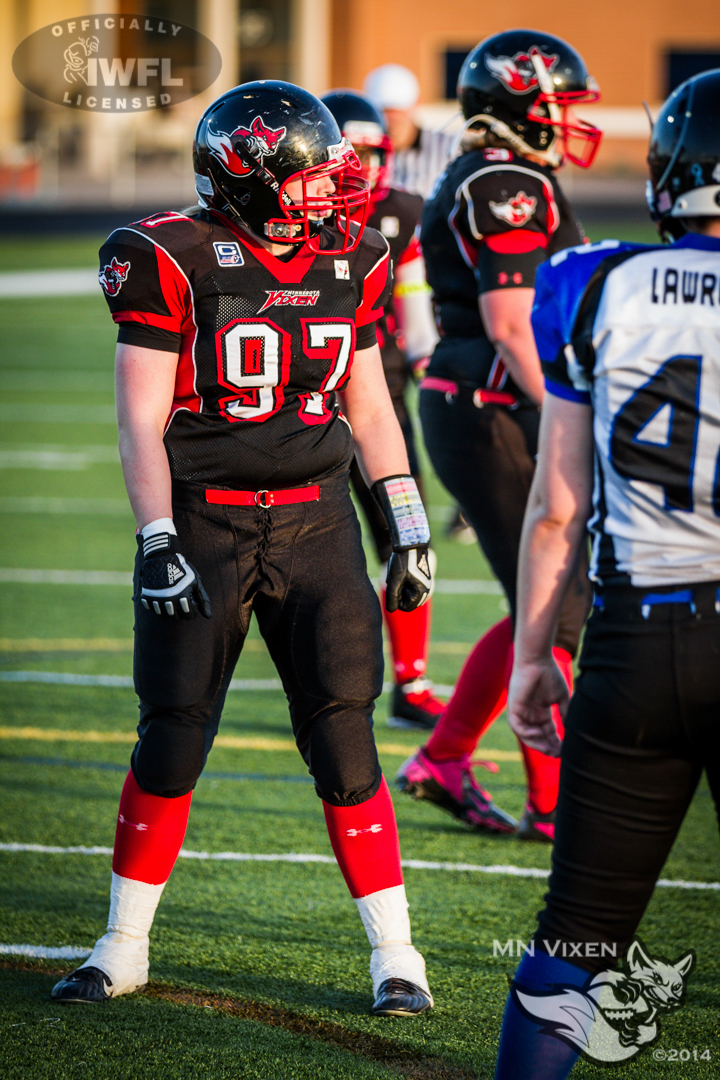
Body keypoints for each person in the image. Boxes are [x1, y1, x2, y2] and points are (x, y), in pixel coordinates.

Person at [50, 80, 435, 1018]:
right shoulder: (169, 256)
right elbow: (140, 418)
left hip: (317, 521)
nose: (334, 195)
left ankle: (397, 955)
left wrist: (406, 518)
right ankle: (123, 943)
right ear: (248, 177)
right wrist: (154, 537)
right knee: (174, 728)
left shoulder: (358, 256)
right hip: (205, 519)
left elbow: (368, 401)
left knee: (344, 731)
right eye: (312, 179)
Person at [494, 68, 720, 1078]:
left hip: (633, 645)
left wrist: (535, 654)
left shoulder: (593, 282)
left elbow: (558, 505)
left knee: (576, 939)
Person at [397, 30, 602, 839]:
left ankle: (448, 758)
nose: (570, 119)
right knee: (554, 602)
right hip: (494, 406)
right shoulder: (509, 179)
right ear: (526, 102)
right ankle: (553, 802)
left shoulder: (494, 170)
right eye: (561, 101)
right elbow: (513, 325)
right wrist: (569, 410)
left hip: (478, 406)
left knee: (546, 602)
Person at [321, 89, 443, 730]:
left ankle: (411, 682)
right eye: (353, 150)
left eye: (374, 150)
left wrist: (434, 369)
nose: (365, 165)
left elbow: (418, 319)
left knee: (409, 533)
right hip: (301, 411)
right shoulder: (281, 223)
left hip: (379, 404)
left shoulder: (402, 213)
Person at [363, 64, 455, 200]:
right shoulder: (362, 151)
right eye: (385, 110)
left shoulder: (448, 149)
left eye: (399, 109)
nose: (392, 117)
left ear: (417, 103)